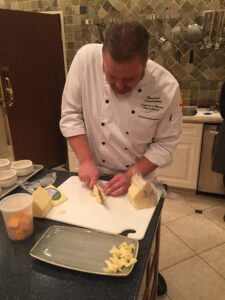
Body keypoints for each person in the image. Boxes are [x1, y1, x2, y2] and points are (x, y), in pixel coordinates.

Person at [60, 21, 182, 295]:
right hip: (95, 169)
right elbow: (70, 115)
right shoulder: (85, 59)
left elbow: (165, 144)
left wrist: (131, 175)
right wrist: (86, 160)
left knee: (137, 237)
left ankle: (144, 269)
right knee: (93, 230)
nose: (118, 85)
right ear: (102, 56)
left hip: (139, 177)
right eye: (111, 75)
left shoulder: (167, 88)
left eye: (129, 79)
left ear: (146, 62)